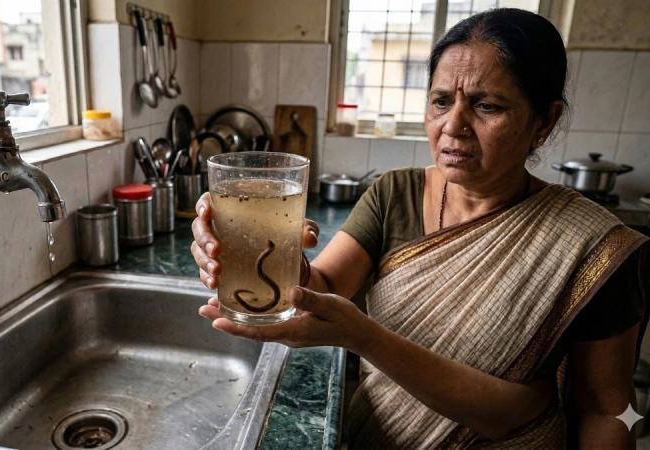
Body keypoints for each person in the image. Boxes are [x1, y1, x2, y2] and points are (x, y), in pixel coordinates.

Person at [190, 8, 649, 448]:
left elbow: (609, 411)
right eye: (441, 101)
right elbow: (323, 286)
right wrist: (265, 253)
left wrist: (364, 336)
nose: (454, 126)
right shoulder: (395, 195)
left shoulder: (592, 246)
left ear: (544, 121)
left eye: (487, 106)